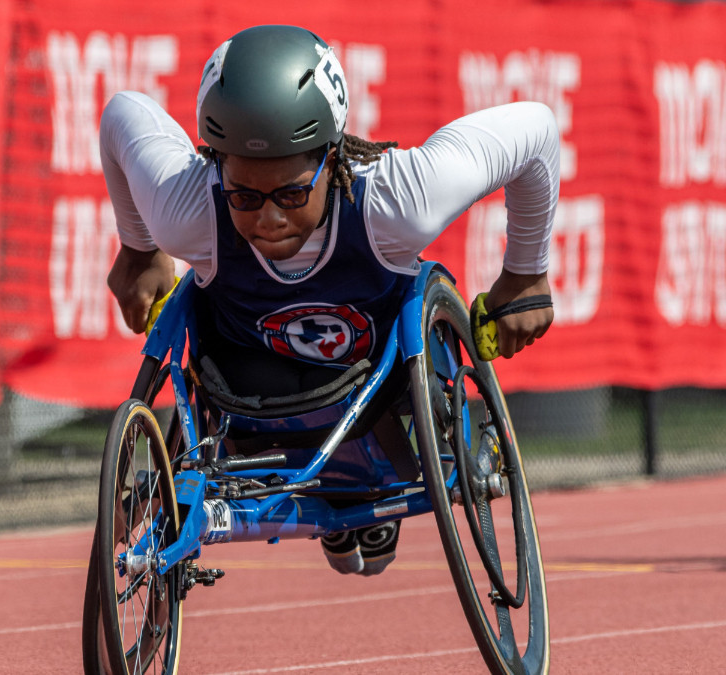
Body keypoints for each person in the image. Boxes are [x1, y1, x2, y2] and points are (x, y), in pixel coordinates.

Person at [100, 25, 558, 575]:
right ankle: (342, 499)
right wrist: (140, 248)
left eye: (292, 193)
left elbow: (537, 129)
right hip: (248, 400)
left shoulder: (398, 201)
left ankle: (361, 497)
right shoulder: (187, 210)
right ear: (216, 168)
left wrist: (526, 275)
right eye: (244, 196)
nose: (269, 218)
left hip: (378, 393)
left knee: (364, 555)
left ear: (333, 156)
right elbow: (121, 113)